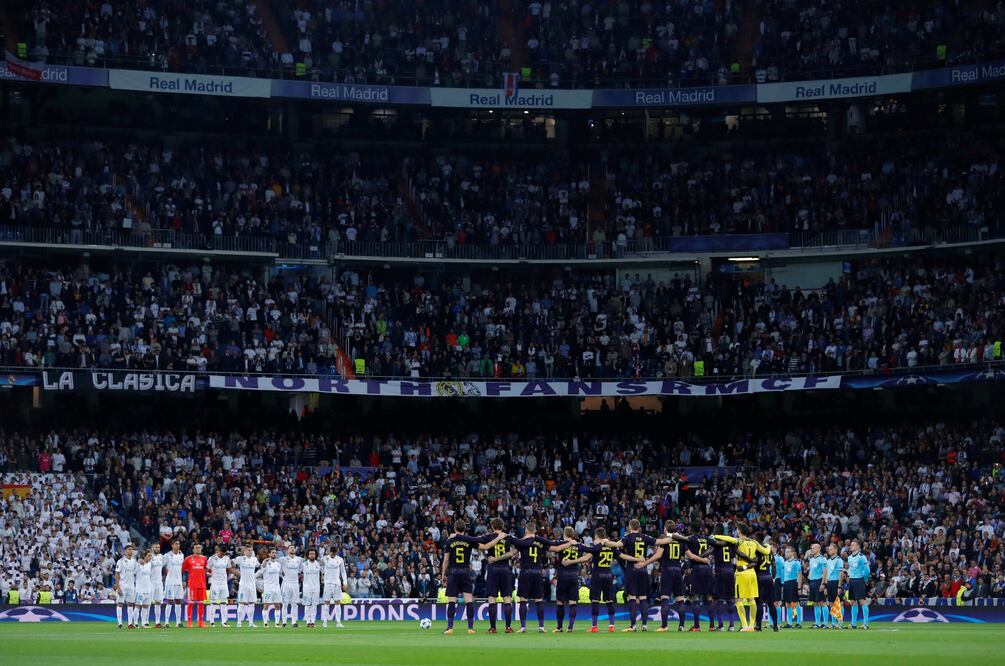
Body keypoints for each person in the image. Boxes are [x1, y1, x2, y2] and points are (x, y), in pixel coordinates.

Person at [440, 519, 505, 635]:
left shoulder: (450, 541)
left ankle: (450, 628)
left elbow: (446, 560)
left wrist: (443, 574)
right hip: (465, 572)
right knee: (469, 601)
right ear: (465, 529)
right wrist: (498, 538)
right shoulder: (469, 541)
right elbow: (485, 547)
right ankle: (470, 628)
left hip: (453, 572)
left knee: (451, 601)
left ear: (455, 529)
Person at [711, 523, 769, 632]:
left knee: (738, 600)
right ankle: (752, 626)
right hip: (752, 573)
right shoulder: (754, 542)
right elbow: (766, 551)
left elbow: (727, 538)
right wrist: (769, 545)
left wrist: (715, 536)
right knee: (752, 600)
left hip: (741, 573)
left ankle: (745, 625)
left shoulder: (738, 541)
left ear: (739, 531)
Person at [564, 527, 619, 633]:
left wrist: (571, 561)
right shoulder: (611, 547)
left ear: (597, 536)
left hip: (597, 576)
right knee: (610, 601)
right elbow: (621, 555)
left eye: (594, 537)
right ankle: (611, 626)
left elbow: (585, 558)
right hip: (608, 576)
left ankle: (594, 627)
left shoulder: (595, 547)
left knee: (595, 601)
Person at [634, 520, 686, 632]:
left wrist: (644, 563)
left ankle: (664, 626)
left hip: (667, 571)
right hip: (678, 570)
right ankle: (681, 626)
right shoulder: (681, 540)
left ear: (666, 529)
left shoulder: (664, 539)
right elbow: (689, 555)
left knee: (665, 598)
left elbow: (658, 555)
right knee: (680, 599)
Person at [607, 519, 653, 632]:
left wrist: (605, 541)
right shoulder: (645, 537)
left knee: (632, 597)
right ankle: (645, 625)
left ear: (630, 527)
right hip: (643, 568)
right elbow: (659, 543)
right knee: (643, 598)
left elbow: (616, 544)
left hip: (632, 569)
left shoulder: (627, 537)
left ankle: (633, 626)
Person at [509, 521, 552, 634]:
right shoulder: (540, 542)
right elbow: (554, 549)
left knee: (523, 600)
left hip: (525, 571)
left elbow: (512, 553)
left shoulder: (522, 541)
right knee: (539, 600)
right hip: (537, 571)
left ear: (526, 530)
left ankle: (523, 626)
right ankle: (541, 627)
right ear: (535, 531)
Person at [672, 524, 714, 631]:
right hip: (708, 569)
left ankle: (696, 626)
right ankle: (712, 626)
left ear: (691, 529)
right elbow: (715, 545)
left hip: (697, 569)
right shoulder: (707, 538)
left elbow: (678, 538)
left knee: (695, 597)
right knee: (709, 597)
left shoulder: (691, 539)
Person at [483, 518, 517, 634]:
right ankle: (508, 627)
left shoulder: (489, 537)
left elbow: (479, 544)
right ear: (502, 526)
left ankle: (493, 628)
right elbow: (518, 547)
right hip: (505, 569)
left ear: (492, 526)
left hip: (493, 569)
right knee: (507, 598)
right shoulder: (508, 537)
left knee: (492, 598)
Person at [553, 526, 583, 633]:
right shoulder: (578, 545)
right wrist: (575, 561)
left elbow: (550, 547)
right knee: (572, 602)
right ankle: (570, 627)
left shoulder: (561, 543)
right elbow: (588, 555)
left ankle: (559, 627)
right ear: (573, 534)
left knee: (560, 602)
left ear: (564, 534)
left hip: (562, 576)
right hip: (574, 576)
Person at [710, 524, 737, 631]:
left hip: (720, 572)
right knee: (730, 600)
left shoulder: (716, 542)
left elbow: (710, 551)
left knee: (719, 599)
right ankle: (731, 625)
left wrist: (700, 556)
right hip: (730, 571)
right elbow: (735, 556)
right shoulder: (730, 543)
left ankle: (720, 625)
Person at [754, 535, 778, 632]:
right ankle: (775, 625)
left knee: (759, 603)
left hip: (759, 577)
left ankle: (758, 626)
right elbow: (774, 565)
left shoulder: (757, 550)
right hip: (768, 577)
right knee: (771, 603)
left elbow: (755, 564)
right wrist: (773, 577)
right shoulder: (769, 551)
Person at [181, 543, 208, 628]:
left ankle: (200, 623)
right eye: (196, 548)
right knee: (191, 603)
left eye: (199, 547)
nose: (198, 549)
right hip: (192, 584)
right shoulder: (188, 559)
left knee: (201, 603)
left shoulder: (204, 559)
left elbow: (206, 569)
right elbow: (182, 570)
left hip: (202, 584)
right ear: (193, 550)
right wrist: (183, 580)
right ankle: (189, 622)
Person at [846, 539, 871, 629]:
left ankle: (866, 623)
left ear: (858, 547)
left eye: (853, 545)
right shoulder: (849, 557)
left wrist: (863, 579)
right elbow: (850, 569)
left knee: (862, 601)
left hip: (859, 580)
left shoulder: (861, 557)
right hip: (852, 580)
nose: (851, 546)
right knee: (853, 602)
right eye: (851, 545)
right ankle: (853, 623)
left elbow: (867, 570)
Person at [321, 545, 348, 628]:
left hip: (337, 583)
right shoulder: (324, 558)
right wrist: (322, 575)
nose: (332, 555)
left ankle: (338, 622)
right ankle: (325, 622)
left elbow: (343, 571)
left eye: (334, 554)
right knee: (326, 602)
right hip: (328, 583)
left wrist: (345, 583)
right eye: (331, 553)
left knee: (337, 602)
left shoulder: (340, 559)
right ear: (329, 552)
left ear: (336, 552)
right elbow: (321, 567)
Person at [233, 545, 260, 628]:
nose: (250, 551)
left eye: (251, 550)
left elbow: (259, 566)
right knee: (241, 603)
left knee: (252, 603)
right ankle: (239, 623)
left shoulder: (254, 559)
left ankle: (251, 623)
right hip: (243, 584)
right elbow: (231, 563)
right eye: (249, 550)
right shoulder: (240, 559)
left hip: (252, 584)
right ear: (245, 551)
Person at [206, 545, 232, 627]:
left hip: (224, 583)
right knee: (213, 602)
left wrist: (238, 574)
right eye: (221, 554)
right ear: (218, 551)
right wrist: (209, 574)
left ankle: (224, 622)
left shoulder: (227, 558)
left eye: (224, 554)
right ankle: (212, 622)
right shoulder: (212, 558)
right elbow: (206, 570)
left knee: (224, 602)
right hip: (215, 583)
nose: (222, 555)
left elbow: (229, 569)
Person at [114, 543, 139, 629]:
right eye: (129, 549)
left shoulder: (134, 561)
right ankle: (120, 623)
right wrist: (118, 587)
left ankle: (130, 623)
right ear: (125, 551)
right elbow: (117, 575)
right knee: (120, 604)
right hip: (122, 586)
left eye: (131, 549)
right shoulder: (120, 561)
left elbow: (136, 573)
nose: (130, 551)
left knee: (130, 604)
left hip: (131, 586)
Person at [280, 544, 304, 628]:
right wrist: (283, 577)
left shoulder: (299, 560)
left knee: (294, 604)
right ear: (287, 550)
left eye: (294, 548)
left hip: (295, 583)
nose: (292, 549)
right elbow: (277, 568)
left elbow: (301, 570)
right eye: (291, 548)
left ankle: (294, 622)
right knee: (285, 603)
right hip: (286, 583)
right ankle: (284, 622)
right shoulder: (283, 559)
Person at [163, 540, 185, 628]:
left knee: (178, 601)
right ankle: (167, 622)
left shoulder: (181, 555)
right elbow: (162, 566)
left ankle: (178, 622)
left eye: (179, 544)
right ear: (172, 545)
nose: (178, 545)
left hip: (178, 582)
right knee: (170, 601)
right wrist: (166, 573)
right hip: (170, 582)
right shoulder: (167, 555)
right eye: (176, 544)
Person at [823, 543, 845, 629]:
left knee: (839, 603)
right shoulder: (828, 561)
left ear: (836, 550)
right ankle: (833, 623)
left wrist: (839, 586)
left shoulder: (839, 560)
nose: (829, 550)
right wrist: (825, 585)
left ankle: (840, 622)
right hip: (829, 583)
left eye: (831, 549)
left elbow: (841, 573)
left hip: (836, 582)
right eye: (829, 549)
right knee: (831, 603)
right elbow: (826, 574)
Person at [260, 548, 283, 628]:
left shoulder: (278, 564)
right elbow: (261, 569)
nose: (274, 554)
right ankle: (265, 623)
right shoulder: (266, 563)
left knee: (278, 605)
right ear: (269, 554)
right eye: (272, 552)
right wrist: (263, 563)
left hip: (276, 587)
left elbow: (280, 574)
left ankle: (277, 623)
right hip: (268, 588)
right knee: (266, 605)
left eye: (275, 553)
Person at [781, 546, 803, 628]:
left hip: (793, 583)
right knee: (787, 604)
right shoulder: (785, 563)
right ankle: (789, 623)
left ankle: (799, 622)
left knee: (796, 603)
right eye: (786, 552)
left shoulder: (796, 563)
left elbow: (799, 575)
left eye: (788, 552)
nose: (786, 553)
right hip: (786, 583)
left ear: (793, 553)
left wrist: (799, 587)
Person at [806, 543, 826, 628]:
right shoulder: (811, 559)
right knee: (815, 603)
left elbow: (825, 572)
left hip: (819, 581)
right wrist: (808, 584)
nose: (812, 550)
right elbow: (810, 572)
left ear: (818, 549)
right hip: (812, 582)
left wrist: (823, 583)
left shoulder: (822, 559)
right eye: (811, 548)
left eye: (813, 548)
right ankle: (817, 623)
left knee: (822, 602)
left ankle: (825, 623)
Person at [301, 548, 322, 628]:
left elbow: (323, 573)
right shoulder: (304, 564)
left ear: (316, 555)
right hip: (306, 587)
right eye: (310, 554)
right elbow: (299, 573)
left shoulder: (319, 564)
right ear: (308, 555)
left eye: (313, 554)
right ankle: (307, 621)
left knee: (314, 605)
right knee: (307, 605)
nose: (312, 555)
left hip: (316, 587)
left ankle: (313, 621)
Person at [135, 550, 153, 628]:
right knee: (138, 606)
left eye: (151, 556)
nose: (150, 557)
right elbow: (134, 572)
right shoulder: (138, 564)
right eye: (149, 556)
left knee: (145, 606)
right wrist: (138, 562)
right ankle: (135, 623)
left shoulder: (149, 565)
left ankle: (144, 623)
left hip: (148, 588)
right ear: (144, 556)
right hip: (140, 589)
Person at [149, 544, 166, 628]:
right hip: (150, 582)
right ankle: (145, 622)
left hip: (159, 582)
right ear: (152, 548)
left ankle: (157, 622)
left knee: (158, 602)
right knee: (147, 603)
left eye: (159, 547)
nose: (158, 548)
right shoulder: (149, 556)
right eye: (156, 547)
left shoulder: (161, 556)